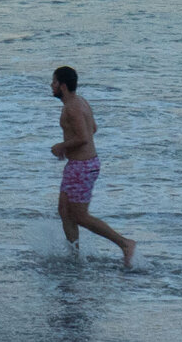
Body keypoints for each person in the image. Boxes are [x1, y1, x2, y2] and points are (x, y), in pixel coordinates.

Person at [50, 66, 135, 268]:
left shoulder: (72, 107)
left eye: (53, 82)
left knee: (80, 216)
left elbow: (84, 138)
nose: (51, 86)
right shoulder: (79, 102)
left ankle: (125, 244)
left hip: (82, 167)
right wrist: (70, 149)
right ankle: (74, 256)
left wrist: (62, 146)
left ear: (62, 86)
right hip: (78, 165)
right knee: (63, 210)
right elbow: (93, 128)